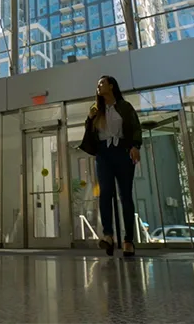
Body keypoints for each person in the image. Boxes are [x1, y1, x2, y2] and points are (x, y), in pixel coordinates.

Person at [83, 75, 142, 257]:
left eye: (102, 83)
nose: (99, 87)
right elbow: (90, 132)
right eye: (98, 84)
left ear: (111, 86)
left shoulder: (124, 107)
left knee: (125, 195)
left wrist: (135, 146)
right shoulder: (95, 110)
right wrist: (89, 118)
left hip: (122, 151)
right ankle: (108, 236)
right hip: (104, 154)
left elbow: (134, 126)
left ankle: (128, 240)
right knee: (105, 192)